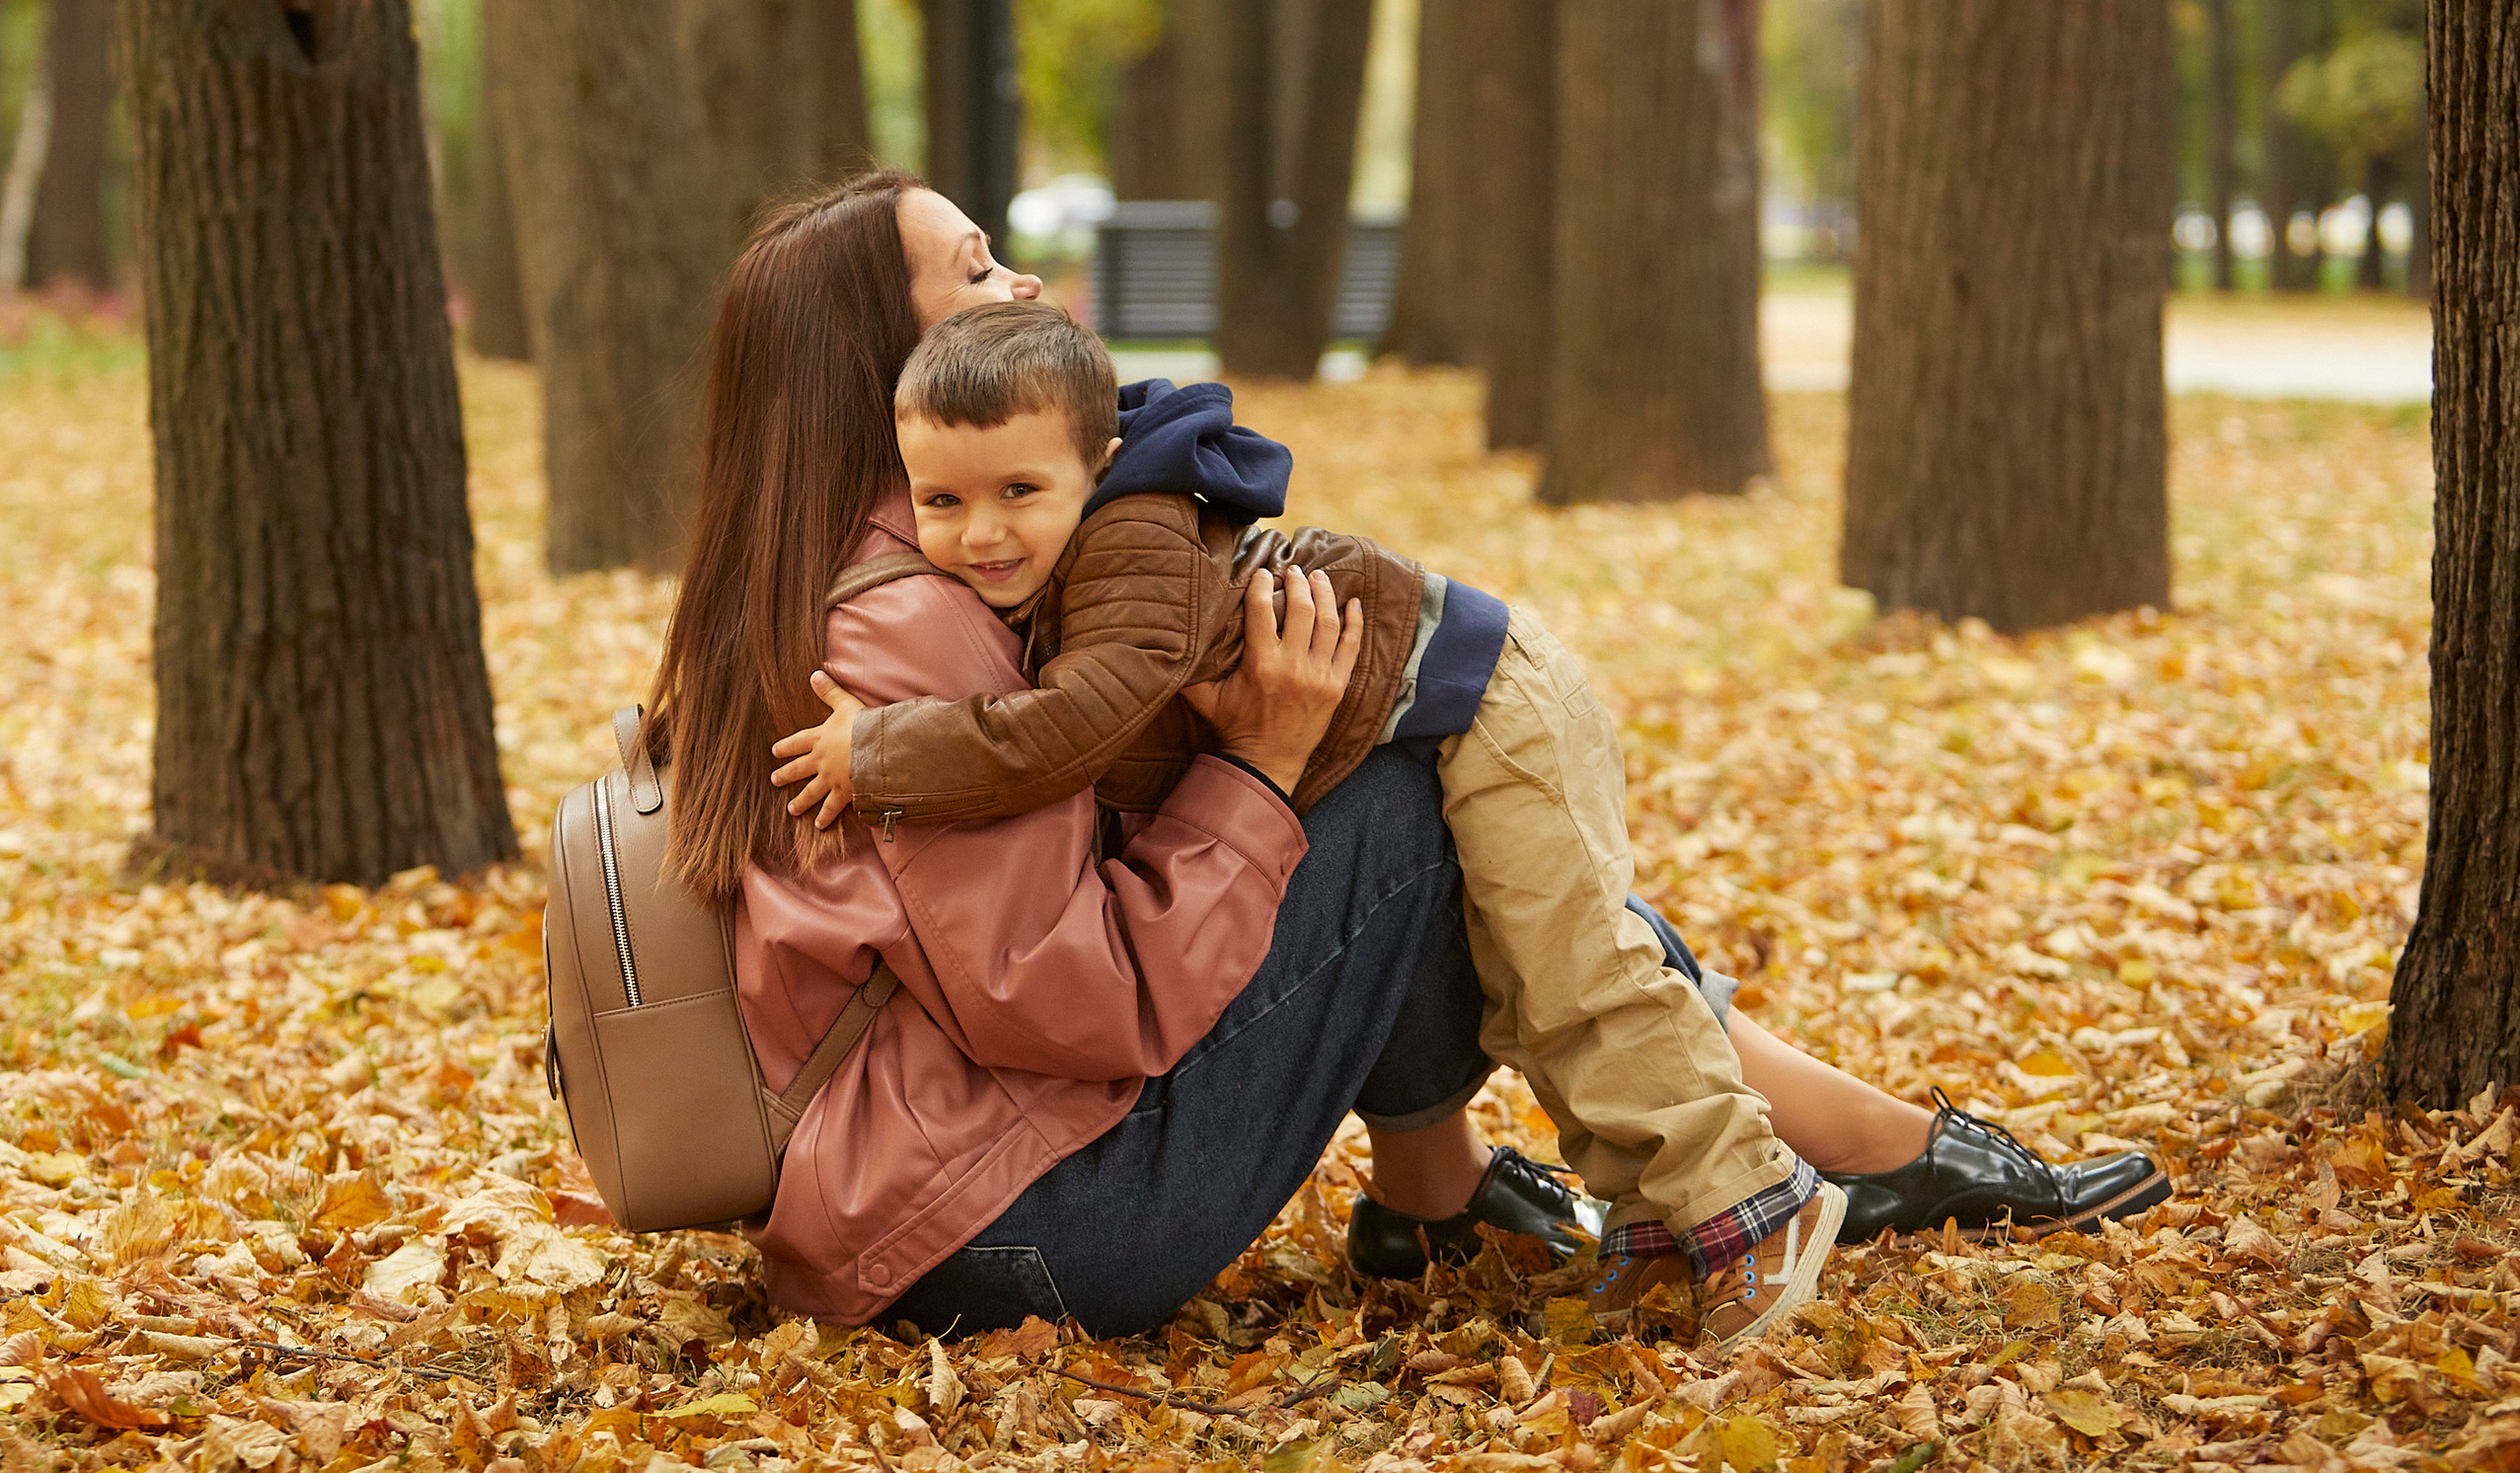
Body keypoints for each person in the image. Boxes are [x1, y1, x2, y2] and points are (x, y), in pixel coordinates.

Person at [650, 173, 2166, 1341]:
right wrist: (1257, 774)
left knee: (1426, 800)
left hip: (933, 1195)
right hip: (1016, 1229)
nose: (1022, 281)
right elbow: (1070, 1000)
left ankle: (1463, 1195)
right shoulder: (913, 622)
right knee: (1403, 788)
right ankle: (1777, 1161)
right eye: (973, 270)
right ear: (889, 361)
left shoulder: (833, 576)